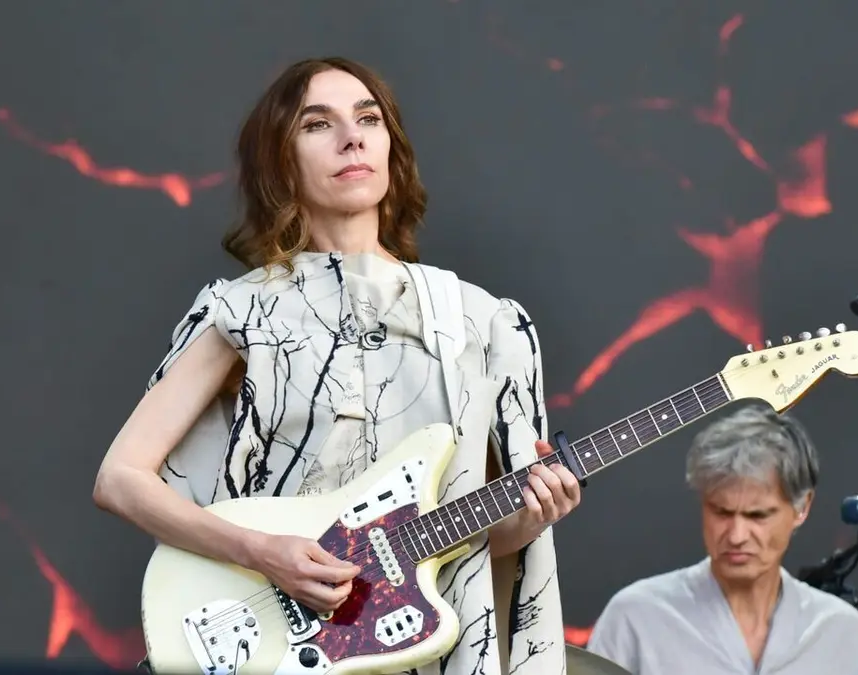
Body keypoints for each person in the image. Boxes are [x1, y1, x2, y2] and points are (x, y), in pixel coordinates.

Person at [92, 56, 580, 675]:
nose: (353, 138)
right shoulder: (245, 311)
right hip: (274, 646)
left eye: (369, 119)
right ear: (280, 163)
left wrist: (531, 517)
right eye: (318, 124)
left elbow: (467, 546)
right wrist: (262, 551)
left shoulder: (478, 322)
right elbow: (119, 479)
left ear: (390, 147)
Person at [586, 405, 858, 675]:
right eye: (721, 512)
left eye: (758, 515)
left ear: (802, 507)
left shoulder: (840, 632)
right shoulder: (635, 618)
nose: (737, 536)